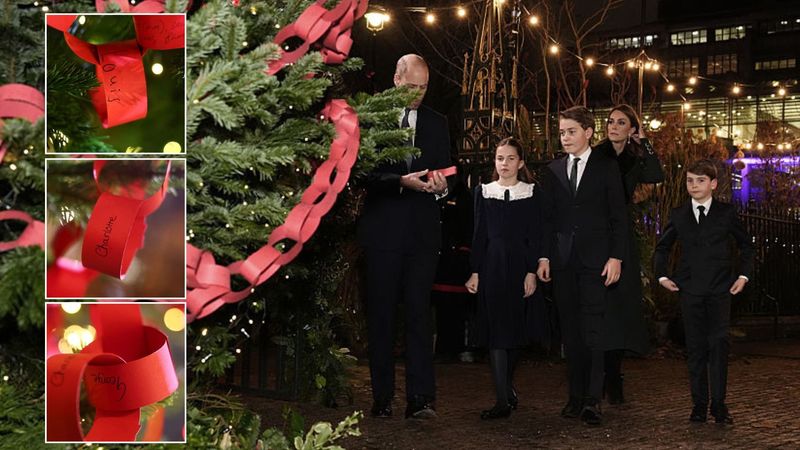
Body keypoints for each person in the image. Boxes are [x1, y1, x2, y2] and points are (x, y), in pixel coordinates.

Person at [357, 54, 452, 420]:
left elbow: (449, 169)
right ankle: (382, 398)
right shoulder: (372, 118)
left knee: (419, 316)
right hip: (382, 232)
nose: (418, 94)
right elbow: (362, 172)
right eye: (412, 86)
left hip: (423, 235)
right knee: (380, 317)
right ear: (397, 79)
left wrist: (442, 187)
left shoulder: (437, 123)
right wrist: (399, 181)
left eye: (424, 88)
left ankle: (421, 399)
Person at [536, 106, 629, 426]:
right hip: (563, 262)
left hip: (597, 262)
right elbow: (546, 220)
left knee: (594, 331)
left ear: (588, 132)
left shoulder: (607, 166)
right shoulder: (553, 169)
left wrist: (616, 257)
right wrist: (544, 257)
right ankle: (575, 398)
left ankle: (592, 399)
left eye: (571, 131)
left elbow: (619, 216)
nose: (565, 137)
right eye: (561, 132)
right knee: (571, 333)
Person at [654, 159, 754, 425]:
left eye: (700, 181)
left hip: (721, 290)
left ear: (713, 184)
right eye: (689, 180)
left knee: (718, 347)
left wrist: (743, 276)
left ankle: (719, 405)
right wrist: (662, 276)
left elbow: (746, 246)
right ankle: (699, 405)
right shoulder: (678, 214)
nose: (694, 185)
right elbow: (662, 247)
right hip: (690, 291)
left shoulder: (727, 213)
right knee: (696, 349)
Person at [465, 138, 542, 420]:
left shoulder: (532, 193)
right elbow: (479, 234)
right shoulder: (483, 192)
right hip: (491, 267)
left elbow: (536, 234)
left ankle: (507, 387)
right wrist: (474, 271)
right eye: (500, 158)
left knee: (515, 334)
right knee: (496, 333)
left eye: (510, 158)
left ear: (520, 163)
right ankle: (501, 399)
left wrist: (531, 271)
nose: (504, 164)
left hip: (520, 267)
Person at [594, 104, 664, 404]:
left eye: (621, 122)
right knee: (598, 309)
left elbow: (656, 174)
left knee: (621, 309)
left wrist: (644, 141)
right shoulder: (597, 154)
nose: (613, 126)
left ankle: (615, 376)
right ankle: (598, 379)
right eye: (610, 121)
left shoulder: (637, 157)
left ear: (631, 129)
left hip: (623, 236)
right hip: (596, 235)